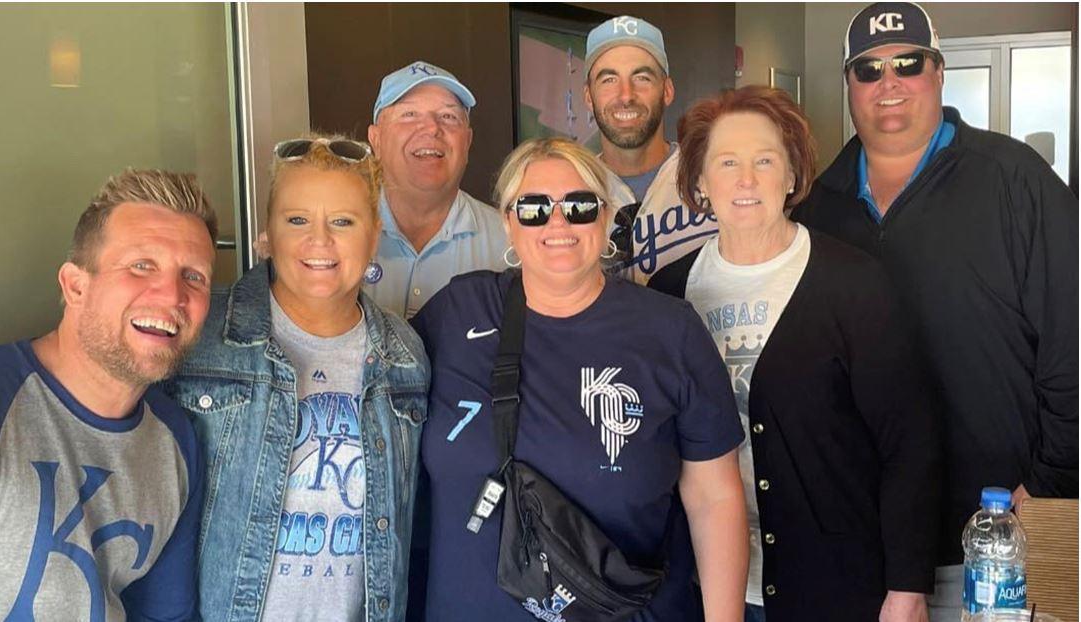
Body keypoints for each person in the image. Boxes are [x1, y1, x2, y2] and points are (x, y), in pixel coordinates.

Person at [790, 4, 1078, 618]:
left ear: (938, 73)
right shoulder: (819, 206)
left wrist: (1050, 481)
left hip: (999, 533)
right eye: (868, 70)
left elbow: (1069, 337)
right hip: (868, 545)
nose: (888, 82)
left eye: (907, 63)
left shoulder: (1014, 180)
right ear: (849, 86)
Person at [412, 136, 748, 621]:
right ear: (507, 221)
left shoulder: (671, 331)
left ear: (608, 216)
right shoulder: (455, 314)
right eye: (532, 208)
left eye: (580, 205)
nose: (558, 222)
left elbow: (714, 496)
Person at [649, 86, 939, 621]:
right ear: (699, 182)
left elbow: (909, 442)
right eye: (727, 162)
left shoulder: (853, 284)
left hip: (837, 583)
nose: (746, 179)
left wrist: (907, 586)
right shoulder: (667, 293)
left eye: (765, 160)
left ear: (791, 176)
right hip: (705, 586)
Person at [0, 169, 213, 620]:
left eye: (194, 277)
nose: (173, 294)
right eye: (142, 266)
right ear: (75, 286)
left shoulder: (177, 441)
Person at [161, 136, 430, 620]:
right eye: (297, 220)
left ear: (374, 235)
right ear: (268, 232)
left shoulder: (405, 354)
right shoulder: (202, 335)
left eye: (343, 222)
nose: (319, 241)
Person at [363, 60, 508, 318]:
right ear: (376, 139)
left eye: (448, 116)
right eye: (409, 114)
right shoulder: (335, 235)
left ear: (468, 141)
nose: (432, 127)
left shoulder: (509, 242)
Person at [582, 15, 719, 283]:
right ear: (588, 96)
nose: (625, 95)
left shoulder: (711, 177)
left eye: (642, 77)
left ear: (667, 91)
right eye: (608, 80)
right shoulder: (571, 190)